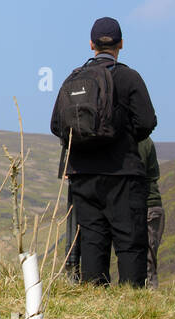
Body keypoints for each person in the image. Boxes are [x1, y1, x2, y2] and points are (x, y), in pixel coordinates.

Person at [51, 17, 157, 287]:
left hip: (83, 175)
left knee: (92, 242)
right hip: (123, 173)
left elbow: (56, 126)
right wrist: (126, 139)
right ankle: (132, 305)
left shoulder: (74, 79)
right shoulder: (129, 77)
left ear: (91, 45)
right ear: (121, 44)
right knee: (130, 243)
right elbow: (146, 121)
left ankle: (96, 303)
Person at [65, 136, 164, 289]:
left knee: (141, 262)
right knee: (142, 262)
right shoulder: (141, 139)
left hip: (143, 205)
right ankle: (140, 299)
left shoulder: (133, 141)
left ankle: (140, 300)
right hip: (144, 204)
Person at [139, 135, 164, 289]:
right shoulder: (146, 140)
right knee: (148, 260)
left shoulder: (139, 141)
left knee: (146, 261)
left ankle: (149, 299)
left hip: (147, 204)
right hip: (152, 204)